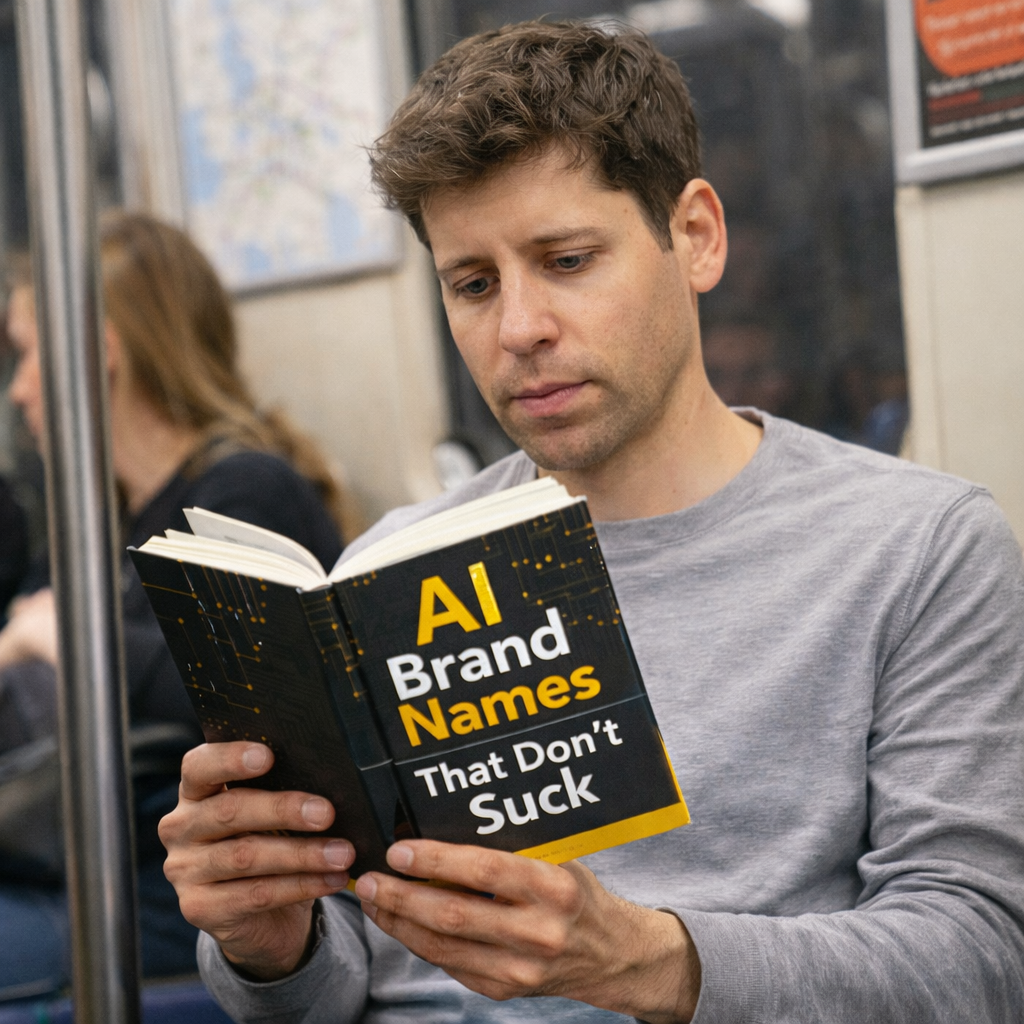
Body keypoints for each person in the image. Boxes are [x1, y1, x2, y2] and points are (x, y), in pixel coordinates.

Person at [160, 21, 1024, 1024]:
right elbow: (328, 986)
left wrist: (643, 960)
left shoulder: (913, 548)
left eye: (566, 260)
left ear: (694, 235)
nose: (518, 328)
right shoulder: (392, 565)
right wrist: (266, 944)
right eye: (472, 284)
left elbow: (977, 962)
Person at [0, 211, 354, 1000]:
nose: (20, 389)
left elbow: (276, 722)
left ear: (99, 351)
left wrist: (69, 640)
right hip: (75, 860)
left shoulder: (242, 497)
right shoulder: (95, 522)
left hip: (179, 894)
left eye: (27, 357)